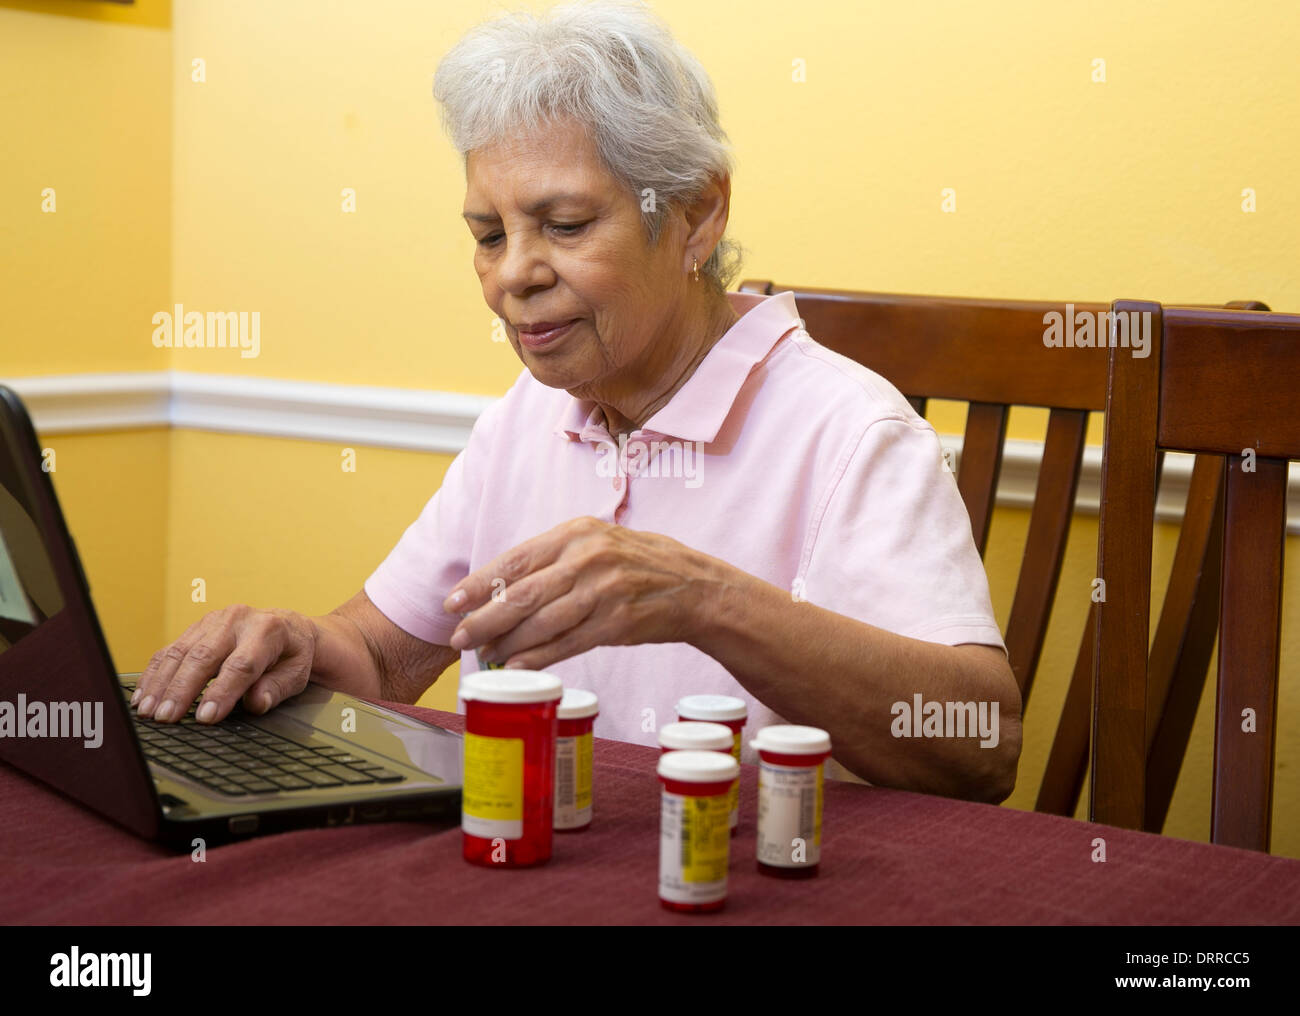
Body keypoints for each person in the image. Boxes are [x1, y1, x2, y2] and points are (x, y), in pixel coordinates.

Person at [133, 0, 1021, 802]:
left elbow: (981, 746)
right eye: (488, 234)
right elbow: (378, 655)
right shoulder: (530, 412)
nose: (513, 274)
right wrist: (292, 641)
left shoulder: (849, 430)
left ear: (696, 217)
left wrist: (702, 598)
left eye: (564, 226)